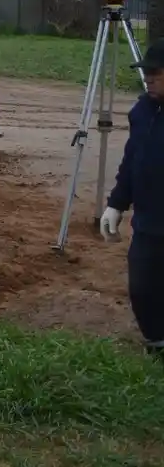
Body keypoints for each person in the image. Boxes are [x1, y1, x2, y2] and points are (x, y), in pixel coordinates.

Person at [101, 39, 164, 358]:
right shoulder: (142, 111)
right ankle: (155, 343)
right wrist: (116, 203)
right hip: (148, 223)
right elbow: (131, 160)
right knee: (142, 286)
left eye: (156, 72)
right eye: (146, 72)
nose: (148, 78)